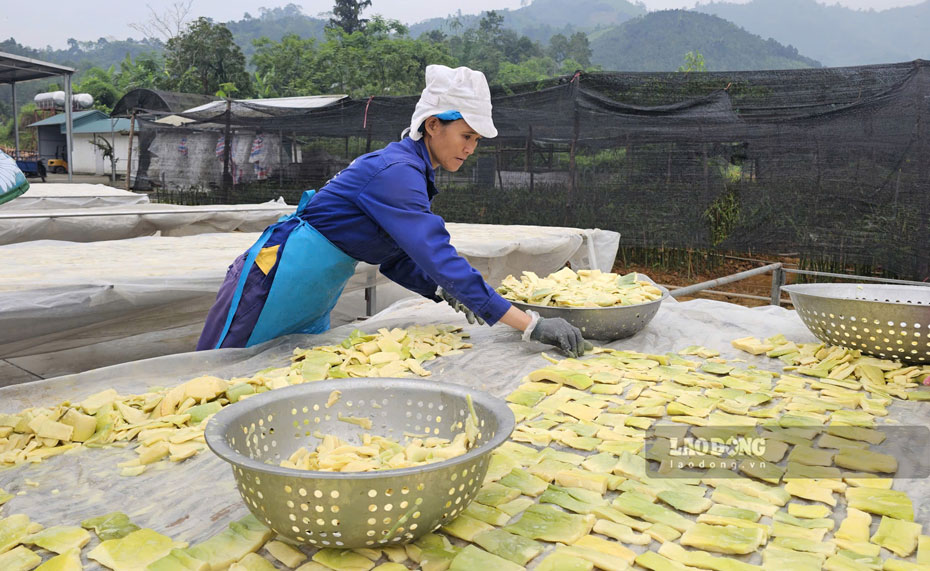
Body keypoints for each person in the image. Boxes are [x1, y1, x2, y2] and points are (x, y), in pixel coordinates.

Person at [197, 65, 587, 357]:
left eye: (476, 140)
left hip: (312, 287)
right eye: (466, 135)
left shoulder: (412, 170)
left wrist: (441, 290)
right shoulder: (397, 172)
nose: (471, 148)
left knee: (286, 367)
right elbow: (436, 254)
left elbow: (394, 256)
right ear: (433, 125)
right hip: (277, 279)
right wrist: (528, 324)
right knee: (226, 371)